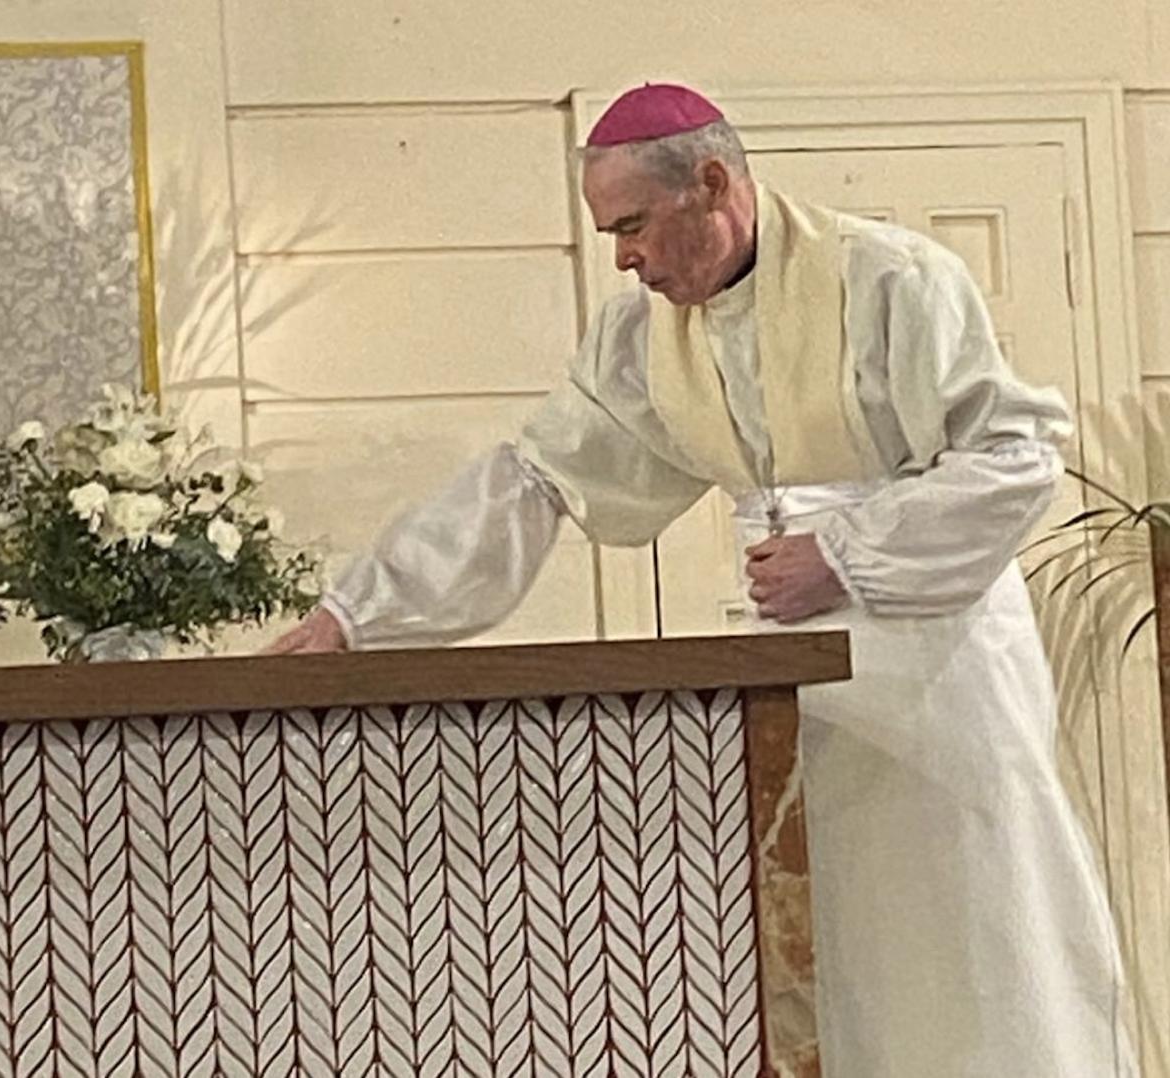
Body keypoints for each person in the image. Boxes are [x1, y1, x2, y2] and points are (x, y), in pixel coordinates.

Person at [267, 82, 1135, 1076]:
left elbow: (1014, 456)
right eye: (608, 234)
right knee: (828, 942)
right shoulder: (644, 337)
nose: (622, 256)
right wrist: (355, 615)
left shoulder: (887, 278)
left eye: (632, 225)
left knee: (974, 926)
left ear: (711, 183)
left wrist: (843, 552)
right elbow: (532, 480)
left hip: (945, 661)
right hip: (795, 674)